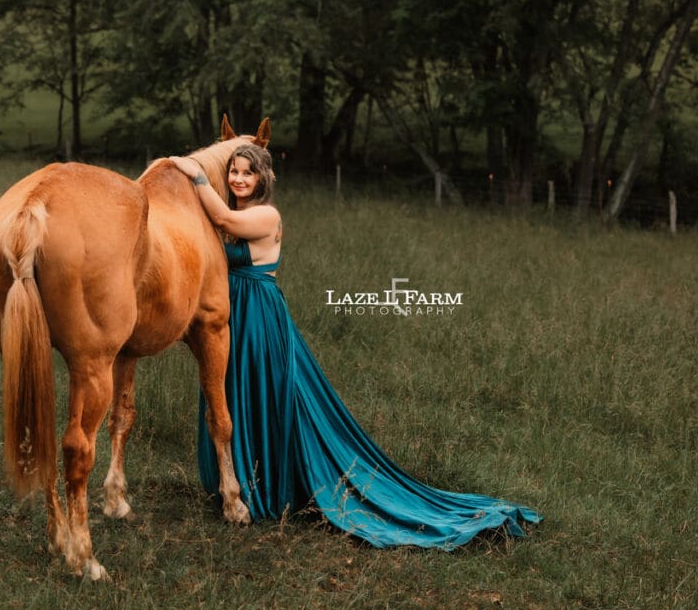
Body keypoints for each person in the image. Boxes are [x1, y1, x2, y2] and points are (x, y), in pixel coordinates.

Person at [168, 145, 541, 549]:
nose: (239, 179)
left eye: (247, 174)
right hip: (230, 310)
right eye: (234, 173)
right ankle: (234, 479)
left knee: (259, 389)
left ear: (263, 180)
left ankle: (266, 486)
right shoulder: (239, 213)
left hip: (257, 313)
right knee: (229, 390)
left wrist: (193, 173)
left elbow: (221, 218)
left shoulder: (266, 215)